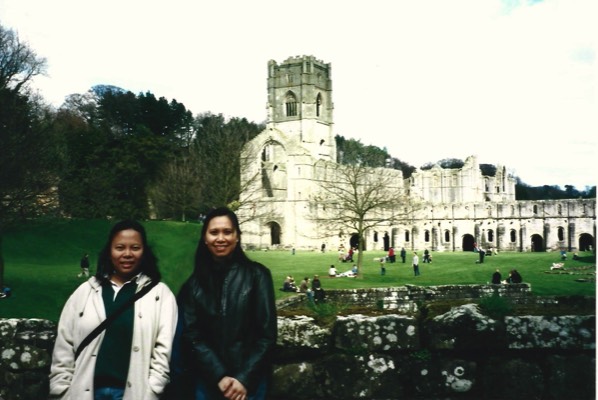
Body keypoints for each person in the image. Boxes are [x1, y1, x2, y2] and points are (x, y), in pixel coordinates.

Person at [49, 220, 178, 400]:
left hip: (135, 394)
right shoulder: (85, 293)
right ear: (109, 252)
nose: (127, 254)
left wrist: (153, 389)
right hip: (85, 392)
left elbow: (163, 350)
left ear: (144, 252)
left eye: (135, 247)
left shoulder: (160, 295)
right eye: (119, 247)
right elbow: (64, 344)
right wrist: (62, 389)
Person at [178, 207, 277, 400]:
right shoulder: (194, 285)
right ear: (205, 238)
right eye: (214, 232)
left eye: (227, 232)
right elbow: (192, 335)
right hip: (209, 382)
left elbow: (266, 335)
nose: (221, 238)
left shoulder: (257, 276)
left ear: (237, 236)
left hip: (250, 384)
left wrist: (243, 378)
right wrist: (219, 375)